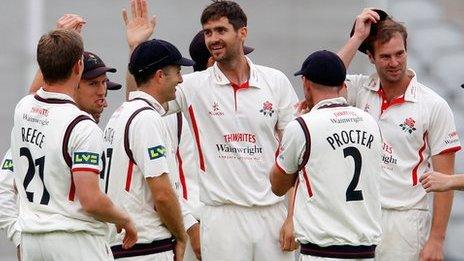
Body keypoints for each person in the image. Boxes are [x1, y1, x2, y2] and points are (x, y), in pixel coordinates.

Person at [166, 1, 298, 260]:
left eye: (220, 30)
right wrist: (136, 49)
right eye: (208, 32)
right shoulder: (193, 86)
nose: (213, 39)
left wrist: (292, 217)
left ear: (242, 33)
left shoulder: (275, 81)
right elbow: (142, 102)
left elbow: (296, 157)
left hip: (271, 214)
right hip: (222, 216)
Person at [337, 8, 461, 260]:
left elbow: (444, 180)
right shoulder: (360, 88)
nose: (394, 63)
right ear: (370, 57)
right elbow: (324, 78)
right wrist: (357, 38)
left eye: (400, 54)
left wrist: (436, 240)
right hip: (357, 216)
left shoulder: (433, 105)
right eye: (385, 56)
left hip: (405, 220)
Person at [9, 29, 137, 261]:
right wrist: (125, 219)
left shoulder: (24, 108)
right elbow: (91, 200)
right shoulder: (82, 126)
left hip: (31, 240)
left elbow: (37, 89)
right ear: (78, 67)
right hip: (73, 240)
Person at [270, 50, 382, 260]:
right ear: (343, 86)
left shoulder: (302, 126)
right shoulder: (370, 122)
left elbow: (277, 186)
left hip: (322, 251)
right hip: (366, 250)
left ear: (306, 84)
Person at [103, 38, 196, 260]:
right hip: (146, 247)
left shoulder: (120, 113)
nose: (181, 79)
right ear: (160, 75)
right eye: (177, 71)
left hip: (122, 246)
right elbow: (162, 194)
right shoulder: (147, 119)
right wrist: (182, 236)